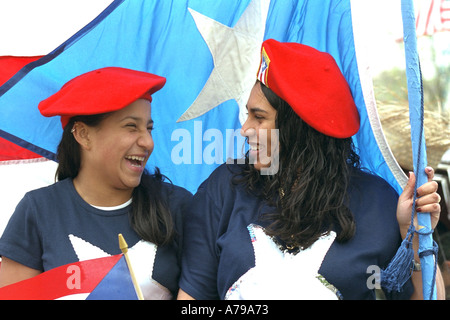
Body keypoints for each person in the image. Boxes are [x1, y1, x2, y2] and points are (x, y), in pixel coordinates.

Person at [178, 39, 444, 300]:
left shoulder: (379, 203)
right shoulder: (226, 187)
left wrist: (417, 237)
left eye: (259, 118)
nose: (245, 129)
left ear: (299, 129)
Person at [0, 67, 192, 299]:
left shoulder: (177, 206)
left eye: (148, 128)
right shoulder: (38, 209)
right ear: (83, 135)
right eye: (131, 127)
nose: (147, 142)